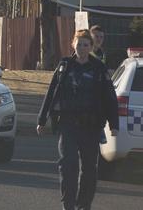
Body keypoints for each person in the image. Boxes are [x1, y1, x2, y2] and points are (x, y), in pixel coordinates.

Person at [37, 29, 119, 210]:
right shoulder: (65, 66)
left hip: (91, 126)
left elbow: (109, 97)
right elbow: (52, 92)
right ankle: (68, 204)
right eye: (79, 44)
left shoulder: (98, 68)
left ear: (91, 47)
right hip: (68, 124)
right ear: (73, 44)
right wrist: (42, 119)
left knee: (89, 170)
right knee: (68, 166)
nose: (82, 48)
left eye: (86, 45)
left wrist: (114, 124)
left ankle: (83, 204)